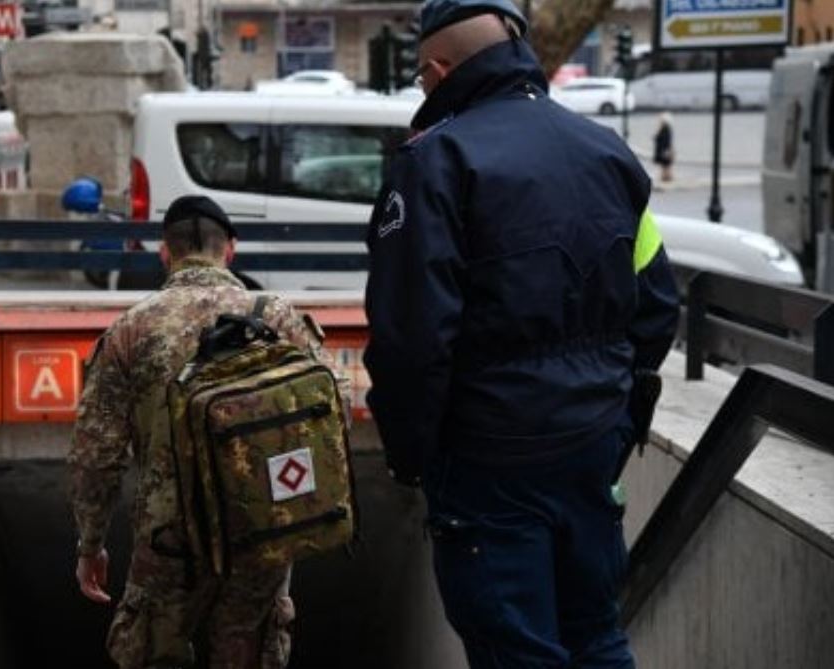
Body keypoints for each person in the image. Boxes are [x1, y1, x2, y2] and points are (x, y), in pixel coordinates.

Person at [363, 1, 679, 667]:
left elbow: (412, 340)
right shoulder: (606, 151)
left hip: (489, 458)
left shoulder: (434, 162)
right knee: (597, 635)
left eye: (420, 78)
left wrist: (411, 455)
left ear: (437, 70)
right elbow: (656, 301)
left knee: (515, 649)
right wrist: (614, 415)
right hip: (592, 442)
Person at [69, 195, 344, 669]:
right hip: (261, 530)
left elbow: (96, 454)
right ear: (230, 250)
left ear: (165, 252)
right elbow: (333, 409)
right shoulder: (279, 318)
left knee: (154, 653)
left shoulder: (131, 330)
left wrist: (91, 544)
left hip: (169, 536)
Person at [654, 112, 675, 184]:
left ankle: (667, 180)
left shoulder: (665, 129)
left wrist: (667, 151)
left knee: (666, 166)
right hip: (663, 150)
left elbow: (666, 141)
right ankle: (666, 179)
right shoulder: (664, 129)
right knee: (665, 167)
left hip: (664, 151)